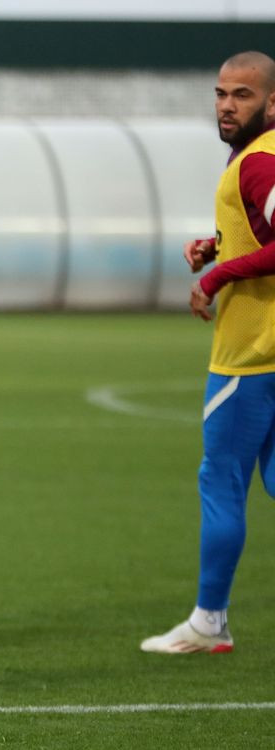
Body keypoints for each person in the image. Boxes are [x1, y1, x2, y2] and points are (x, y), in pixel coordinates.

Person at [142, 51, 275, 655]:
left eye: (242, 95)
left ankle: (208, 622)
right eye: (221, 92)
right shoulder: (252, 160)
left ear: (271, 104)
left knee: (221, 481)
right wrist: (216, 248)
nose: (226, 104)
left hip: (249, 356)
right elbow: (260, 234)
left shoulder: (259, 163)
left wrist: (217, 279)